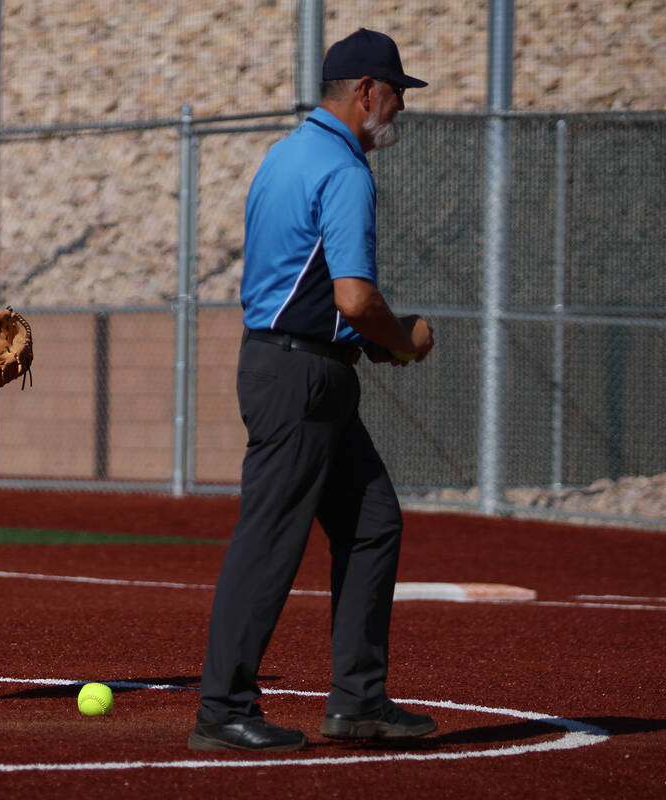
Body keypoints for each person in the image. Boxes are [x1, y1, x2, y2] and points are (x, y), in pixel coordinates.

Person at [189, 29, 437, 751]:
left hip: (295, 365)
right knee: (269, 539)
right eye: (395, 92)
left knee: (373, 522)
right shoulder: (345, 168)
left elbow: (310, 285)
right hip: (300, 375)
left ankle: (358, 701)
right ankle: (223, 708)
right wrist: (403, 338)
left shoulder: (284, 154)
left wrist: (360, 341)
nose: (399, 108)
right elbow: (355, 297)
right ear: (364, 92)